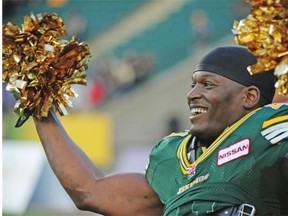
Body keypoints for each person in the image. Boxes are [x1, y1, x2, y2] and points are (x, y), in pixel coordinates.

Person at [32, 46, 288, 215]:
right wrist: (40, 108)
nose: (192, 94)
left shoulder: (267, 128)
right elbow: (89, 190)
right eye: (193, 84)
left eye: (207, 85)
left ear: (249, 96)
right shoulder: (172, 160)